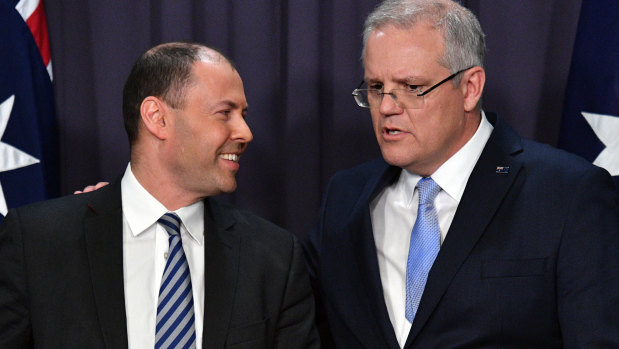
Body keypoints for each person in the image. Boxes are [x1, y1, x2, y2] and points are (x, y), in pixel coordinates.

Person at [303, 0, 619, 348]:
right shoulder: (345, 197)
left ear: (470, 88)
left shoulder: (567, 193)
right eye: (376, 87)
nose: (387, 107)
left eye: (412, 87)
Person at [0, 42, 319, 348]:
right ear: (157, 117)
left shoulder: (275, 257)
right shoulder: (38, 243)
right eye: (225, 113)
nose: (245, 133)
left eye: (243, 115)